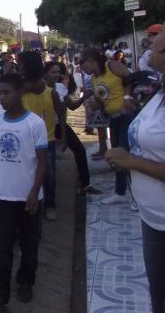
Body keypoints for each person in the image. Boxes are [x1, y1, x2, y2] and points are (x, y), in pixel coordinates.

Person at [0, 73, 47, 307]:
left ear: (19, 93)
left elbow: (43, 162)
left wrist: (35, 191)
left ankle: (25, 281)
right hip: (3, 197)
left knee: (29, 245)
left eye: (7, 92)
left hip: (28, 198)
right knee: (1, 248)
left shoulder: (35, 123)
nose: (3, 98)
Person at [105, 27, 165, 313]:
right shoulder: (158, 93)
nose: (150, 53)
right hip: (153, 218)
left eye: (158, 49)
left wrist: (131, 162)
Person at [80, 48, 134, 206]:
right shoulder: (95, 78)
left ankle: (134, 194)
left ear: (91, 60)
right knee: (117, 155)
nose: (81, 68)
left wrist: (127, 97)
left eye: (82, 63)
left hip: (127, 116)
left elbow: (130, 78)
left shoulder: (111, 66)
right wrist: (94, 104)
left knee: (125, 154)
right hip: (114, 119)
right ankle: (120, 192)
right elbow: (102, 101)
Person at [19, 51, 65, 221]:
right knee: (28, 174)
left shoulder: (49, 91)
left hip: (47, 140)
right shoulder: (21, 88)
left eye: (21, 63)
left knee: (48, 174)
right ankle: (30, 201)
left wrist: (64, 136)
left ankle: (50, 204)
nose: (19, 66)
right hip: (25, 139)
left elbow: (61, 113)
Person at [44, 62, 100, 195]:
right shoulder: (41, 88)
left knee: (79, 150)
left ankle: (85, 184)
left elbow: (72, 106)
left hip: (59, 125)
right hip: (44, 127)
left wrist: (84, 97)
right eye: (53, 72)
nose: (57, 75)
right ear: (45, 74)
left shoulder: (60, 87)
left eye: (58, 72)